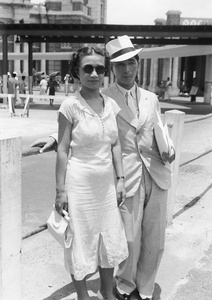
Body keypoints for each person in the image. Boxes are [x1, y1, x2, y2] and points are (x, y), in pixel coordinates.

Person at [31, 35, 175, 300]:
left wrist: (170, 148)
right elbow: (79, 125)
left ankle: (143, 289)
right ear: (114, 69)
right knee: (128, 238)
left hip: (156, 173)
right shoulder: (104, 96)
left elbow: (158, 130)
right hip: (123, 177)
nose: (127, 69)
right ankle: (125, 285)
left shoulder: (151, 99)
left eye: (131, 63)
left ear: (138, 64)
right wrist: (54, 138)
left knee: (155, 240)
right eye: (120, 65)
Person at [55, 46, 128, 300]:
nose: (94, 73)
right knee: (82, 240)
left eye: (99, 68)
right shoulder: (70, 106)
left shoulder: (111, 105)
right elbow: (63, 149)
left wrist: (120, 180)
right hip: (80, 186)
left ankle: (108, 294)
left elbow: (115, 143)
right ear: (77, 71)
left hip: (107, 185)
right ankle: (83, 297)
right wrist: (60, 190)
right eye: (88, 68)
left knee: (107, 238)